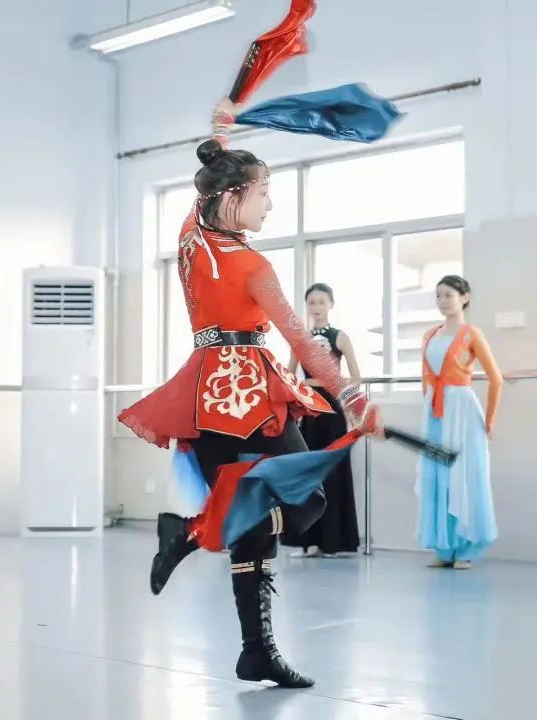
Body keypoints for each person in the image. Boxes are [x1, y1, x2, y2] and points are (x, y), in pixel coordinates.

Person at [117, 100, 382, 688]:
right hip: (250, 394)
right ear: (234, 195)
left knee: (255, 520)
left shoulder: (190, 238)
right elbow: (305, 343)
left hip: (206, 390)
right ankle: (196, 547)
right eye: (264, 193)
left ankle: (252, 644)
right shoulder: (254, 265)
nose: (270, 204)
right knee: (303, 502)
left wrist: (218, 136)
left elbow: (204, 188)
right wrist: (356, 401)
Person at [416, 275, 503, 569]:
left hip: (463, 413)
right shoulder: (429, 335)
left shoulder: (471, 334)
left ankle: (466, 548)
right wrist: (428, 406)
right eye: (438, 295)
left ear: (464, 297)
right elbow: (425, 376)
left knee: (465, 475)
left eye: (448, 295)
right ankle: (444, 547)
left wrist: (489, 419)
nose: (442, 301)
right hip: (435, 414)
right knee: (437, 476)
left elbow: (496, 379)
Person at [282, 283, 361, 557]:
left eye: (321, 302)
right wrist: (296, 398)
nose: (316, 307)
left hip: (332, 409)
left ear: (331, 304)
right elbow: (289, 376)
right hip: (308, 409)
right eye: (312, 302)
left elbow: (355, 377)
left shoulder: (340, 336)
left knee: (333, 471)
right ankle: (309, 540)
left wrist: (349, 406)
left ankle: (333, 541)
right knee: (307, 471)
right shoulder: (300, 339)